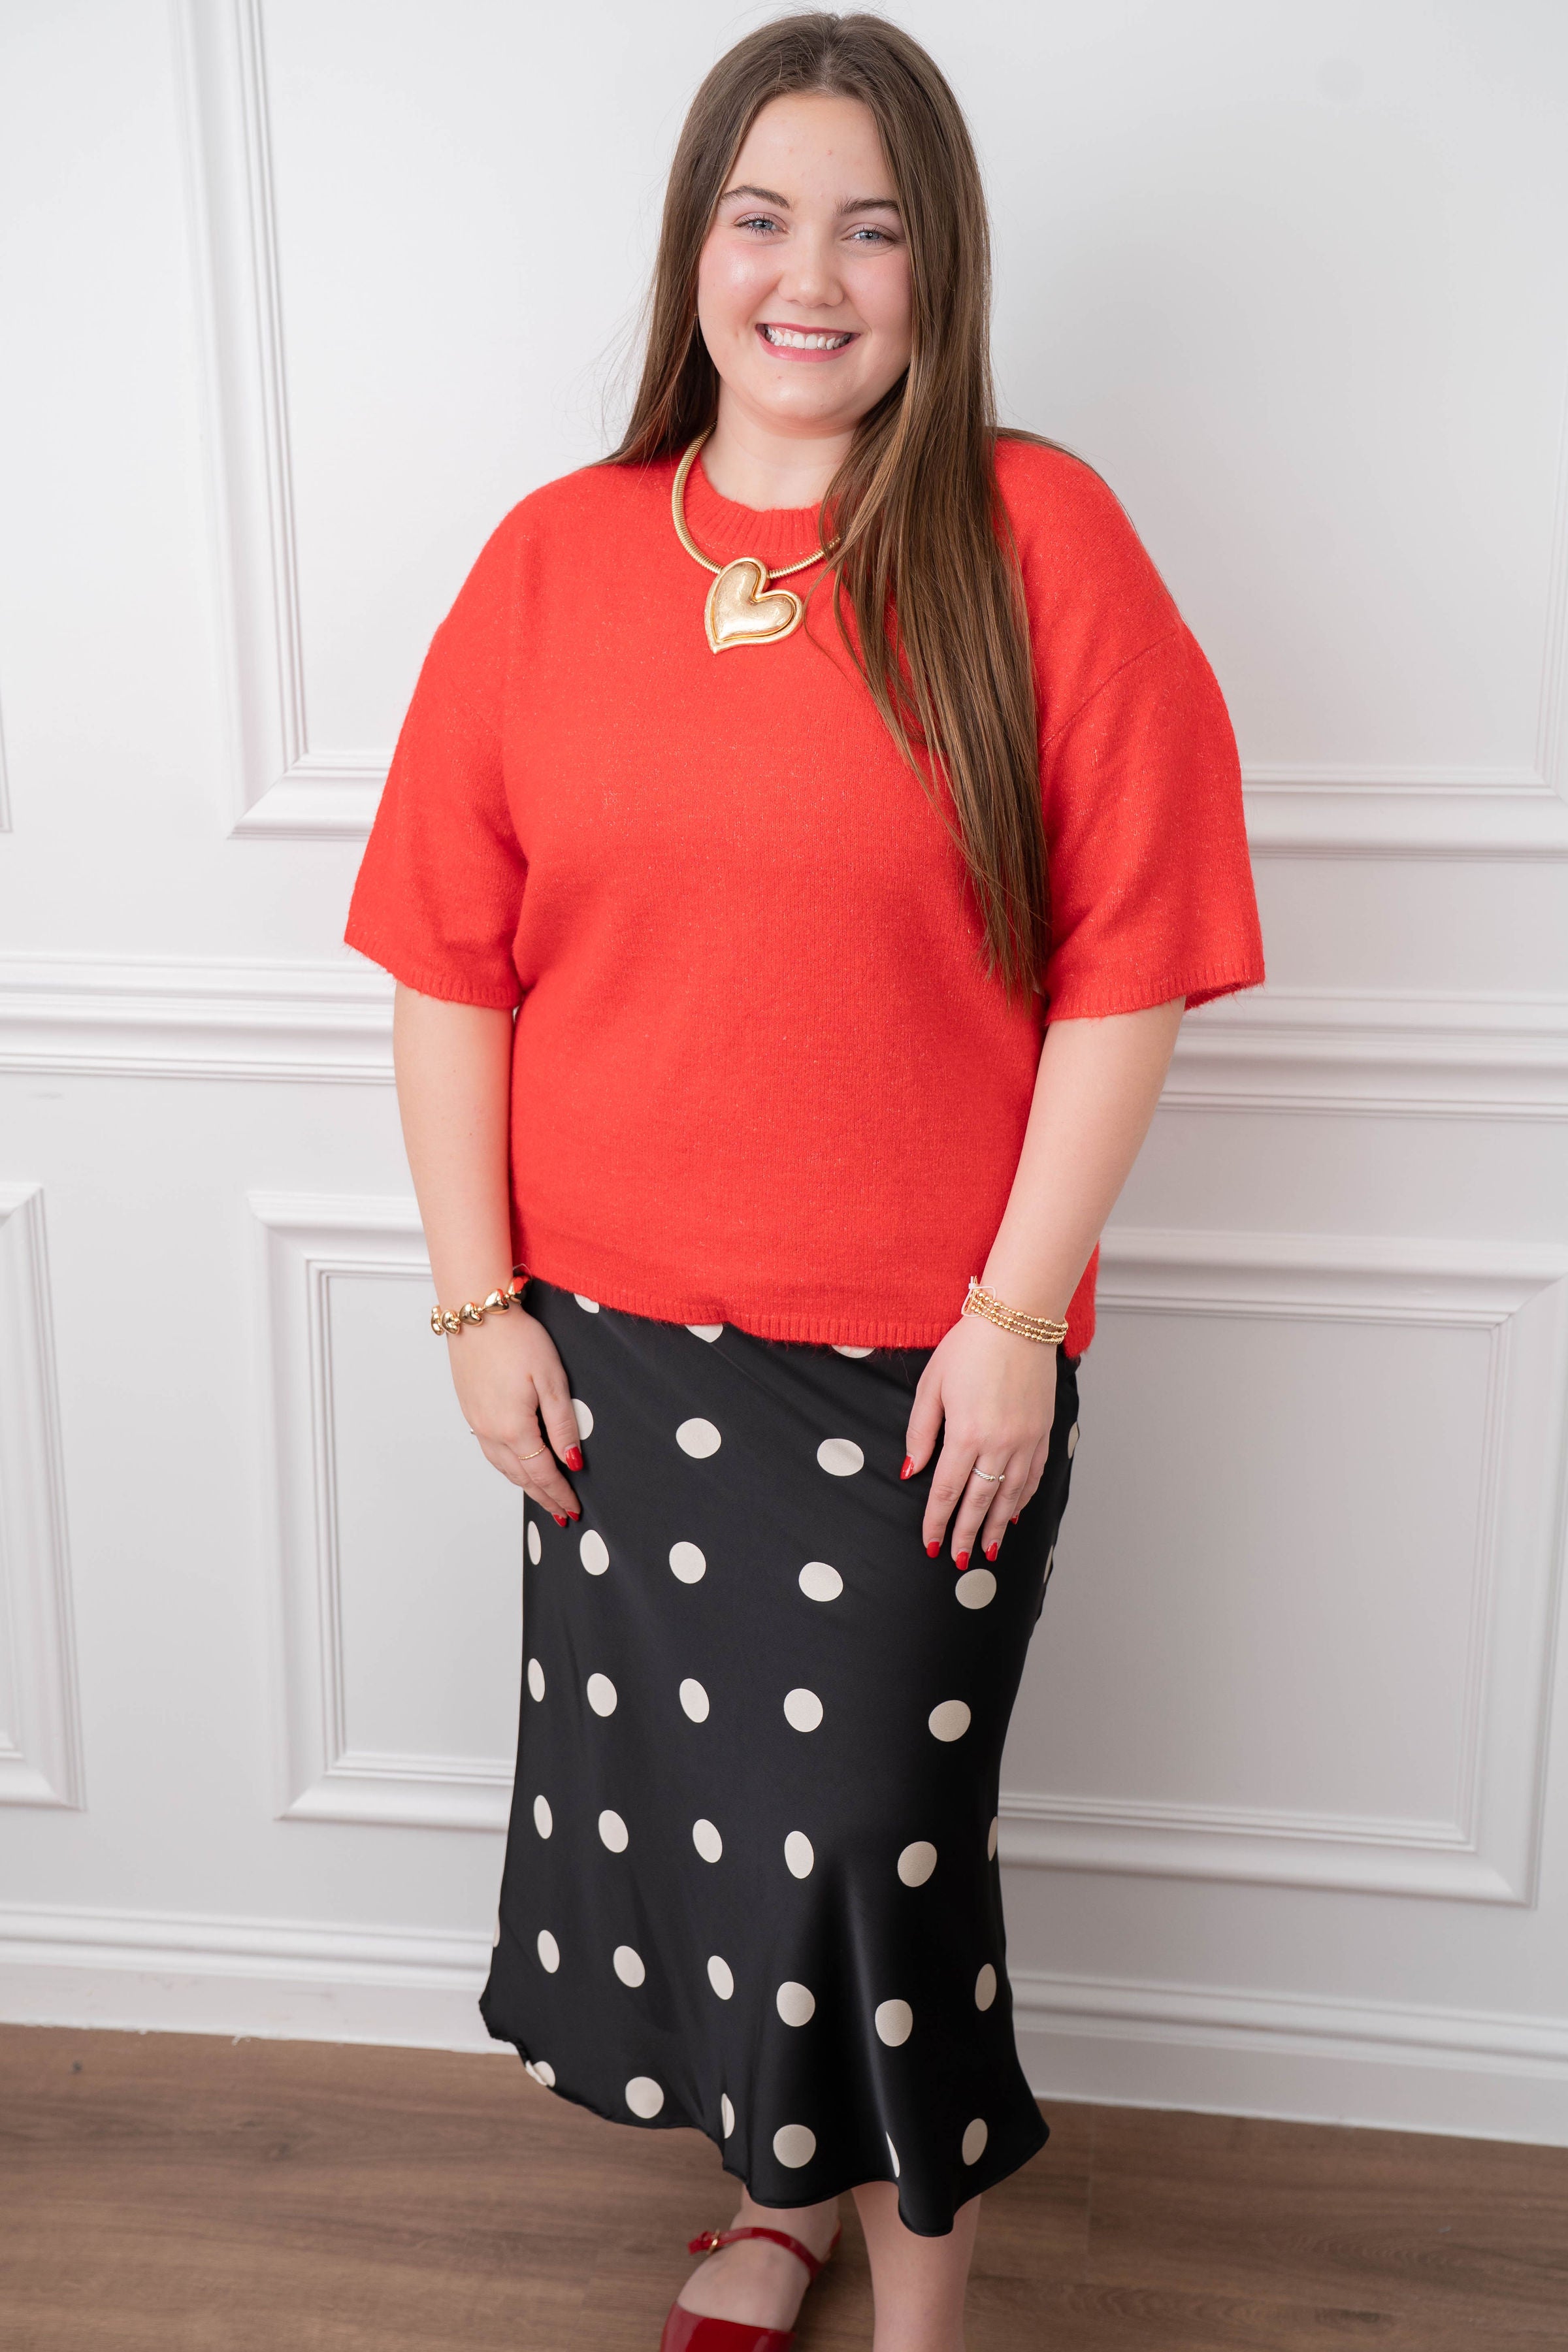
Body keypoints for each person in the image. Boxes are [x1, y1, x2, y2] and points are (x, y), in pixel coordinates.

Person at [343, 13, 1265, 2349]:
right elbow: (450, 968)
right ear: (696, 248)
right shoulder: (558, 558)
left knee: (876, 1862)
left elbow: (1133, 965)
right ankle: (776, 2206)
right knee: (706, 1843)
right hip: (609, 1354)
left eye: (872, 228)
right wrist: (478, 1307)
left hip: (925, 1369)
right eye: (762, 219)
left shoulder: (1038, 535)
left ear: (939, 262)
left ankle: (923, 2314)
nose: (811, 277)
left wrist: (1018, 1318)